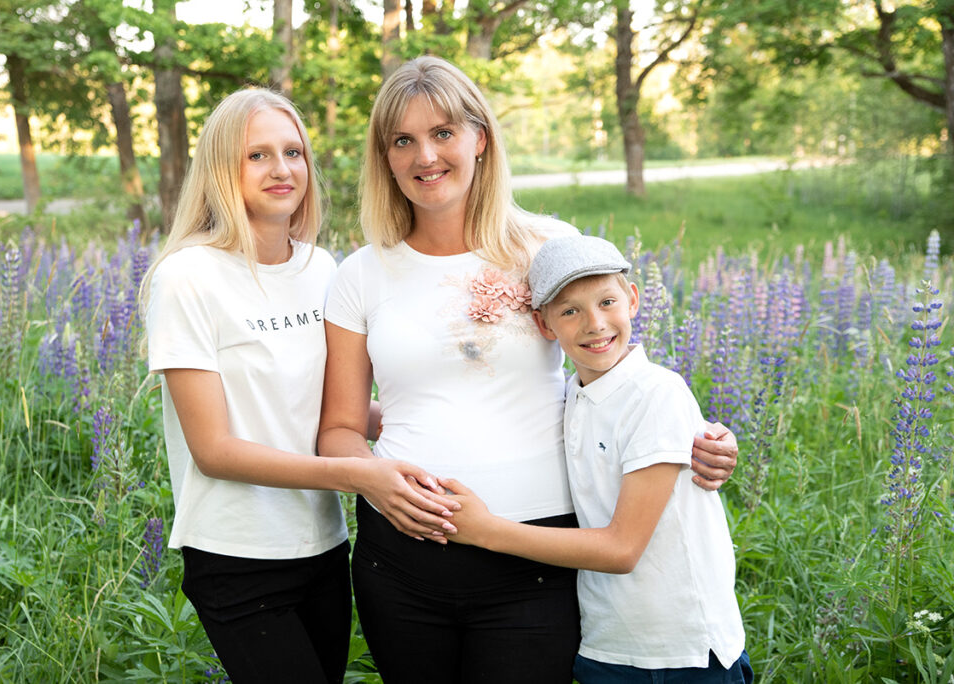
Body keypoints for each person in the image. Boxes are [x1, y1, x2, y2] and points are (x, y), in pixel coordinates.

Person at [317, 56, 739, 684]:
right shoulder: (359, 274)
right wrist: (376, 481)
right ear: (385, 158)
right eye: (402, 140)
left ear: (480, 138)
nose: (425, 156)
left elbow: (613, 371)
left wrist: (695, 435)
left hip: (537, 554)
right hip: (402, 558)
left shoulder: (546, 247)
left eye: (442, 133)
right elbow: (339, 429)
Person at [141, 88, 458, 684]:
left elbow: (327, 407)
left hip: (322, 545)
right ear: (221, 169)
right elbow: (214, 451)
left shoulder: (320, 268)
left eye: (293, 152)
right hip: (237, 552)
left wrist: (437, 415)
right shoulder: (188, 277)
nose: (281, 169)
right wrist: (360, 475)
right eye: (257, 155)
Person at [442, 234, 753, 684]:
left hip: (683, 651)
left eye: (607, 302)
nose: (595, 323)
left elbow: (623, 549)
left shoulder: (657, 393)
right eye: (570, 311)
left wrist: (487, 531)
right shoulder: (572, 396)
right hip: (607, 644)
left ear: (633, 300)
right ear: (544, 324)